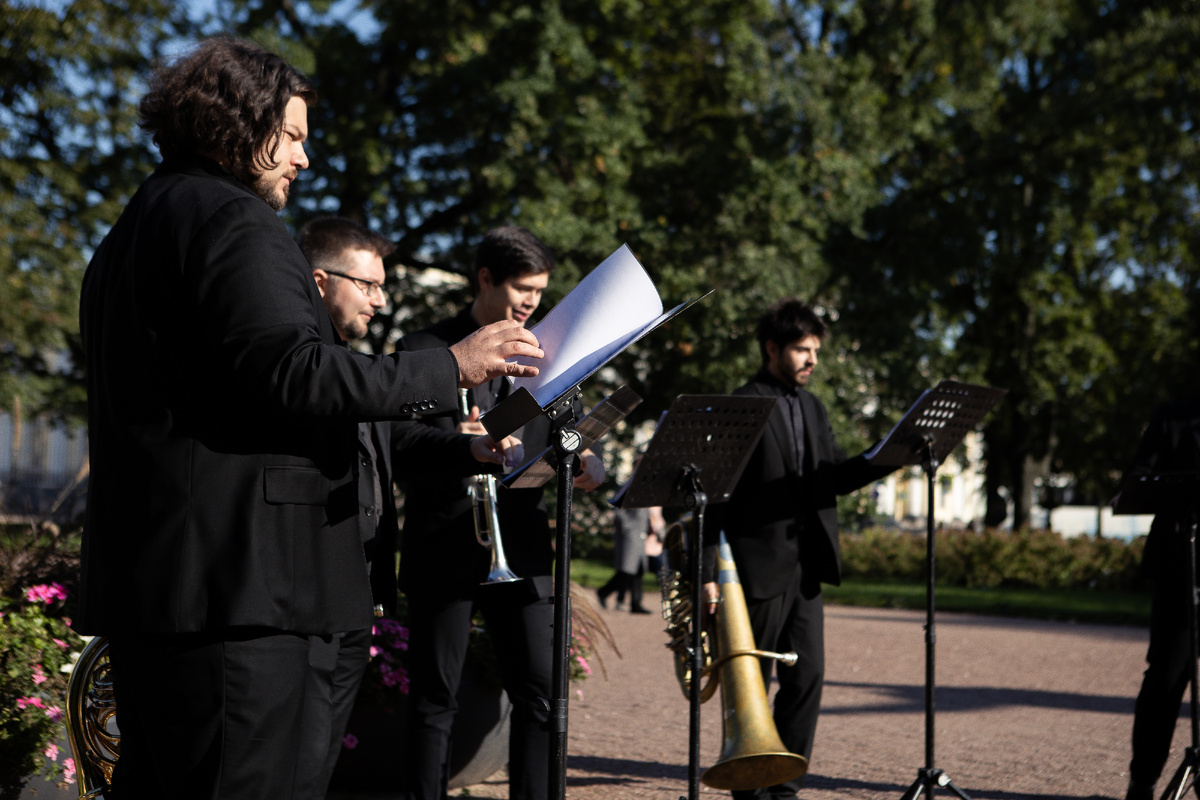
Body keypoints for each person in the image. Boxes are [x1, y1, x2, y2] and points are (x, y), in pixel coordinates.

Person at [78, 39, 541, 800]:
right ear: (238, 123)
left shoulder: (133, 228)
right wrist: (451, 366)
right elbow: (294, 373)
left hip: (165, 586)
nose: (301, 159)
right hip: (240, 594)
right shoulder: (234, 221)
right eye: (290, 136)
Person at [395, 225, 605, 800]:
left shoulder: (551, 356)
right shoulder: (421, 350)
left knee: (539, 690)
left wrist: (591, 460)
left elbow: (573, 433)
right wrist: (460, 445)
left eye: (540, 291)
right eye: (522, 288)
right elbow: (398, 447)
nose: (533, 302)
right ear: (485, 279)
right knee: (434, 698)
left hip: (523, 543)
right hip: (444, 545)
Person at [702, 297, 896, 800]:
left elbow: (830, 477)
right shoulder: (742, 402)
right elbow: (714, 497)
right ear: (772, 349)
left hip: (807, 568)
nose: (812, 360)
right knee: (753, 686)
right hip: (755, 569)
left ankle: (784, 788)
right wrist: (706, 571)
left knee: (808, 678)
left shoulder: (814, 406)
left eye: (815, 350)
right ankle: (749, 788)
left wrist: (888, 458)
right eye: (801, 350)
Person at [1119, 397, 1200, 800]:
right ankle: (1144, 780)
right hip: (1178, 563)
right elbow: (1138, 478)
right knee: (1167, 675)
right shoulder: (1172, 417)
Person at [597, 503, 664, 613]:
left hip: (642, 537)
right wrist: (628, 527)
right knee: (626, 571)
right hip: (631, 537)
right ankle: (603, 592)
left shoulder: (644, 492)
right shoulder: (629, 488)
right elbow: (618, 510)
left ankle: (636, 603)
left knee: (638, 570)